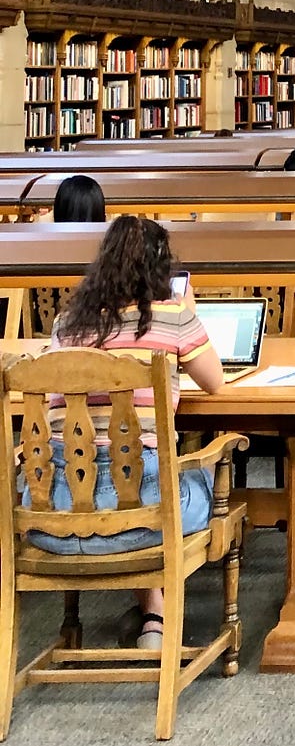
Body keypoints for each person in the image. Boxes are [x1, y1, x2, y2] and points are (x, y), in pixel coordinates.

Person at [31, 215, 225, 649]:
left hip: (57, 519)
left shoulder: (66, 326)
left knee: (120, 475)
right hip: (144, 522)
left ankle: (153, 613)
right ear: (161, 272)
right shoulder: (173, 316)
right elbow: (215, 382)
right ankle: (162, 613)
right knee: (197, 478)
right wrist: (186, 309)